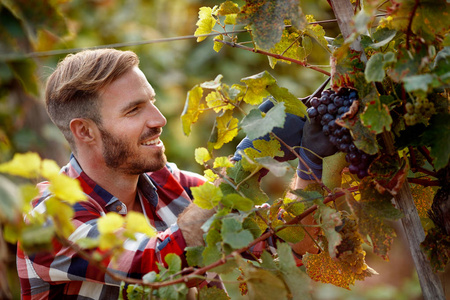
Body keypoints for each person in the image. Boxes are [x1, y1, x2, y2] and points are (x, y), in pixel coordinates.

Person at [16, 48, 334, 299]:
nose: (159, 119)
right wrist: (243, 166)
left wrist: (310, 163)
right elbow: (154, 264)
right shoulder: (51, 217)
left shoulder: (177, 188)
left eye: (152, 102)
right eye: (133, 109)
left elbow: (290, 245)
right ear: (85, 131)